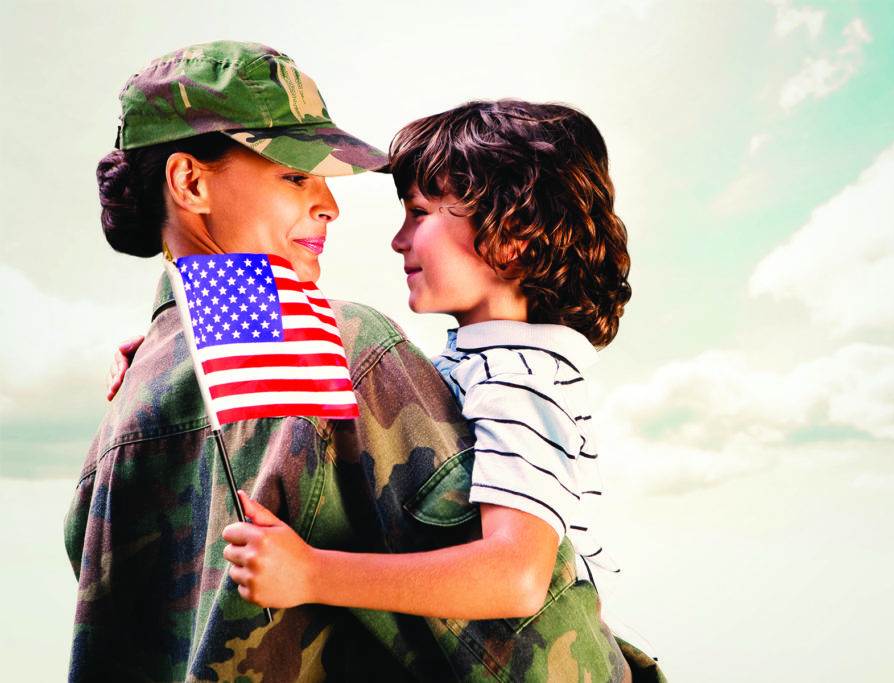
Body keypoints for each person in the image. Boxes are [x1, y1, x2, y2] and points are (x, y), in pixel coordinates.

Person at [73, 42, 664, 681]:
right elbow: (534, 632)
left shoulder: (127, 414)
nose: (333, 205)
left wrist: (168, 346)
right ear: (191, 182)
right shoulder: (341, 348)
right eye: (295, 174)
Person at [213, 100, 666, 681]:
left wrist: (312, 573)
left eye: (420, 213)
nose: (398, 241)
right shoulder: (482, 362)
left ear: (514, 236)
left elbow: (517, 576)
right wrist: (166, 349)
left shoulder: (523, 379)